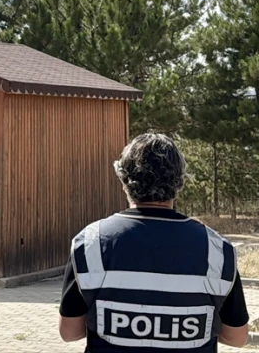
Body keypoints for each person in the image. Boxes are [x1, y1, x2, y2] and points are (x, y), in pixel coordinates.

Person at [58, 132, 249, 352]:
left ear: (124, 180)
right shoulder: (218, 250)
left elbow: (69, 332)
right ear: (179, 182)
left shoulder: (89, 243)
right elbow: (237, 337)